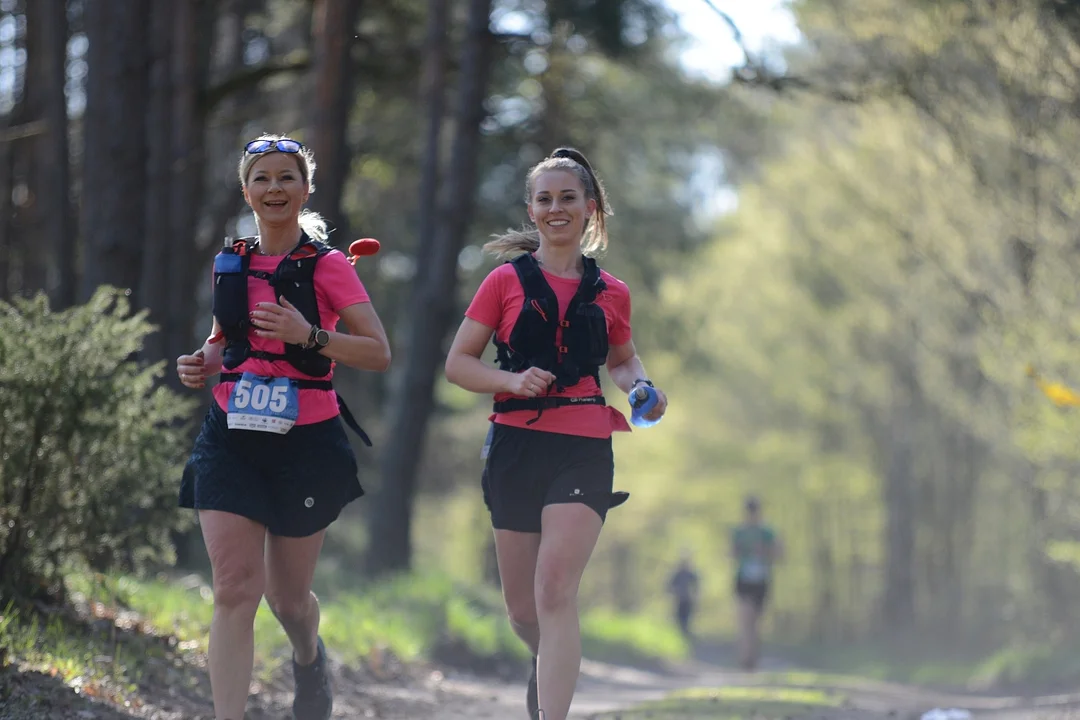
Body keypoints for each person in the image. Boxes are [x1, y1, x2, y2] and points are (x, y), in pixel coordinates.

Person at [445, 147, 668, 720]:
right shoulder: (503, 282)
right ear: (532, 209)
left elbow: (623, 361)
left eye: (568, 197)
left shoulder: (611, 291)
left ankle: (552, 713)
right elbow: (459, 363)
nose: (556, 207)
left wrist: (642, 388)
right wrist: (511, 380)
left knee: (554, 590)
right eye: (545, 199)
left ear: (590, 209)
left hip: (585, 444)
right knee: (523, 610)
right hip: (515, 444)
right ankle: (548, 667)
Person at [175, 134, 391, 720]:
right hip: (231, 436)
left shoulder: (327, 267)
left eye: (286, 177)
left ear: (306, 190)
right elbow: (228, 343)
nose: (274, 188)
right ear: (246, 190)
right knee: (234, 589)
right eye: (263, 178)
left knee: (287, 599)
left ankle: (307, 657)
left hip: (307, 443)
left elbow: (377, 352)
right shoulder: (232, 261)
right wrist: (201, 362)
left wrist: (310, 335)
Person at [731, 496, 781, 671]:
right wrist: (741, 550)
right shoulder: (739, 531)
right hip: (744, 579)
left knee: (756, 622)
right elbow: (731, 553)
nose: (751, 514)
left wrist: (764, 550)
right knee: (745, 618)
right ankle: (745, 658)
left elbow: (778, 554)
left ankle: (753, 657)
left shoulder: (767, 532)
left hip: (761, 580)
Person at [667, 552, 701, 641]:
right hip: (679, 600)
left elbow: (696, 585)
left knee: (687, 620)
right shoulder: (677, 575)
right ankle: (680, 638)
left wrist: (695, 595)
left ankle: (685, 637)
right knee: (679, 620)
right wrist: (675, 592)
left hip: (688, 600)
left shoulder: (690, 574)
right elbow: (669, 586)